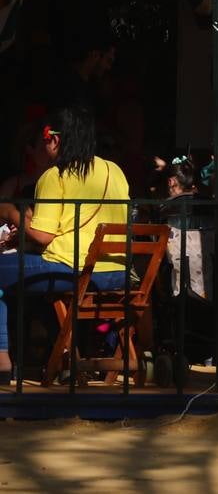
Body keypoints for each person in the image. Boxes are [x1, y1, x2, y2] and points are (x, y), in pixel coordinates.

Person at [0, 106, 130, 381]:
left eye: (44, 140)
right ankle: (59, 356)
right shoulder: (114, 170)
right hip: (117, 272)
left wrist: (9, 211)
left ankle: (2, 358)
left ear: (55, 140)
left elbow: (43, 235)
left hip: (72, 270)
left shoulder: (54, 176)